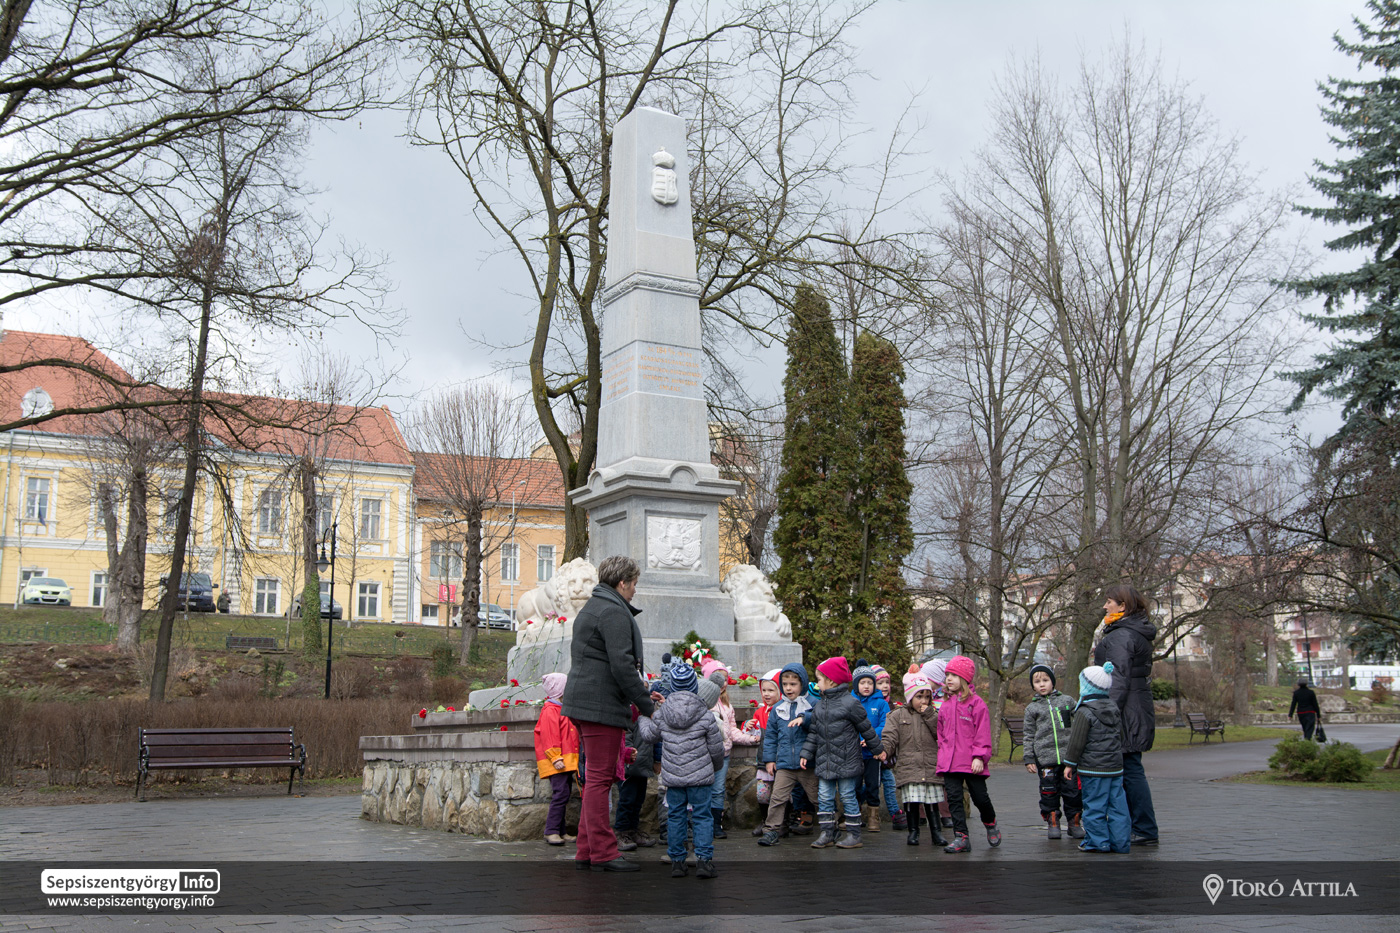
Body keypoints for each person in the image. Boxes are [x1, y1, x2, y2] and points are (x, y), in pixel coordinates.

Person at [560, 555, 658, 872]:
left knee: (594, 781)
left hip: (588, 703)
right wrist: (646, 704)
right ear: (622, 583)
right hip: (599, 706)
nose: (634, 592)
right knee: (600, 781)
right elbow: (621, 666)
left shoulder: (596, 606)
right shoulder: (612, 611)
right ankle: (603, 852)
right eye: (633, 585)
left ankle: (587, 850)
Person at [638, 661, 724, 879]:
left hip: (674, 778)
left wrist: (641, 717)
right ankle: (704, 861)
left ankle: (677, 861)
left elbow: (649, 736)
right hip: (701, 779)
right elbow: (716, 749)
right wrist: (713, 769)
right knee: (703, 817)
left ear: (673, 687)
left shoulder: (663, 714)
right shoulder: (705, 714)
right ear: (694, 687)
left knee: (675, 816)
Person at [1092, 584, 1159, 846]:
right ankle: (1140, 825)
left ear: (1123, 606)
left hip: (1126, 710)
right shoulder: (1131, 631)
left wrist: (1107, 712)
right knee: (1131, 768)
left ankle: (1142, 827)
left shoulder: (1121, 635)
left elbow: (1117, 677)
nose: (1105, 606)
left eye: (1110, 601)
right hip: (1134, 706)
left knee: (1129, 770)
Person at [799, 656, 885, 849]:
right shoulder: (820, 705)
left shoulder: (850, 703)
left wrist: (878, 750)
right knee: (824, 797)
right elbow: (814, 732)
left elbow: (866, 728)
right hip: (825, 760)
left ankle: (854, 834)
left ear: (831, 681)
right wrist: (806, 753)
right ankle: (827, 832)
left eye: (819, 679)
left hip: (847, 760)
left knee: (847, 795)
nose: (817, 683)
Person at [1064, 662, 1131, 854]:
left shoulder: (1084, 712)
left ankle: (1098, 841)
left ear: (1087, 686)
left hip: (1093, 769)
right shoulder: (1114, 709)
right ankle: (1120, 842)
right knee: (1118, 806)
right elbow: (1122, 737)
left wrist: (1069, 764)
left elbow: (1076, 742)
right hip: (1115, 768)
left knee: (1094, 805)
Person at [936, 655, 999, 853]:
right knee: (953, 799)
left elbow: (982, 731)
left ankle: (990, 822)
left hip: (972, 761)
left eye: (953, 675)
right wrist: (943, 753)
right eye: (947, 675)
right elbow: (941, 732)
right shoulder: (945, 705)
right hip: (950, 762)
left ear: (964, 678)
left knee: (980, 797)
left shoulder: (976, 704)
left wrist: (979, 756)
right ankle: (961, 836)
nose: (949, 679)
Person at [882, 672, 947, 847]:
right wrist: (884, 751)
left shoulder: (934, 714)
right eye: (919, 696)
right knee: (911, 801)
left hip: (930, 766)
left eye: (927, 696)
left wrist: (930, 715)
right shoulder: (898, 715)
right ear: (910, 696)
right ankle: (913, 832)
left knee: (932, 802)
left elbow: (941, 733)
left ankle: (936, 833)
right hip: (909, 766)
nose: (924, 701)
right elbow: (890, 736)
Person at [757, 662, 817, 846]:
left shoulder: (812, 704)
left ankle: (832, 824)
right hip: (784, 763)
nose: (789, 688)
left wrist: (805, 719)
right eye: (785, 684)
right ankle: (771, 830)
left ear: (803, 684)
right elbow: (771, 736)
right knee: (777, 798)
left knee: (817, 796)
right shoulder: (778, 708)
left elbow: (819, 724)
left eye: (793, 684)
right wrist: (769, 759)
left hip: (806, 764)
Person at [1022, 663, 1083, 840]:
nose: (1042, 684)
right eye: (1037, 681)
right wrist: (1029, 758)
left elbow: (1080, 719)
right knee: (1049, 792)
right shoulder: (1032, 709)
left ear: (1053, 682)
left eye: (1045, 680)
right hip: (1045, 759)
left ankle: (1075, 822)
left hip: (1068, 759)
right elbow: (1028, 735)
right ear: (1032, 685)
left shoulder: (1067, 701)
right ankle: (1053, 821)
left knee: (1073, 792)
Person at [702, 661, 758, 839]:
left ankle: (716, 824)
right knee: (703, 789)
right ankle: (701, 823)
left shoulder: (727, 704)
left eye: (725, 679)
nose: (723, 683)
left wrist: (750, 739)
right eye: (718, 679)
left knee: (718, 790)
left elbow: (732, 729)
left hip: (723, 754)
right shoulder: (704, 702)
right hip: (704, 755)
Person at [533, 672, 580, 846]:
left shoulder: (560, 709)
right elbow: (550, 737)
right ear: (561, 690)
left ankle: (560, 830)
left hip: (565, 760)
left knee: (564, 794)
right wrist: (555, 757)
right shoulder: (551, 711)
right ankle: (551, 831)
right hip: (558, 761)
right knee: (561, 794)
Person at [850, 662, 897, 833]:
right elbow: (849, 724)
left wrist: (870, 738)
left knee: (872, 785)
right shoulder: (851, 702)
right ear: (856, 685)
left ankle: (873, 817)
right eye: (862, 683)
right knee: (854, 786)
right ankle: (853, 816)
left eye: (870, 682)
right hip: (854, 753)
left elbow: (885, 724)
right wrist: (859, 738)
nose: (867, 686)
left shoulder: (881, 703)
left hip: (873, 753)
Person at [871, 664, 908, 831]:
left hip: (888, 755)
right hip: (873, 753)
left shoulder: (894, 706)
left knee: (888, 782)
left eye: (887, 682)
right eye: (880, 683)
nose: (884, 686)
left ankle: (895, 813)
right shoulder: (872, 705)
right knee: (872, 785)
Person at [748, 669, 783, 837]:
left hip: (781, 761)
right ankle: (765, 820)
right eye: (764, 690)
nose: (767, 694)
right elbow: (755, 735)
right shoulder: (760, 712)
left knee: (781, 794)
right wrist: (749, 726)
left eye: (771, 690)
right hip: (763, 760)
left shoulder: (783, 710)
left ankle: (781, 823)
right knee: (762, 794)